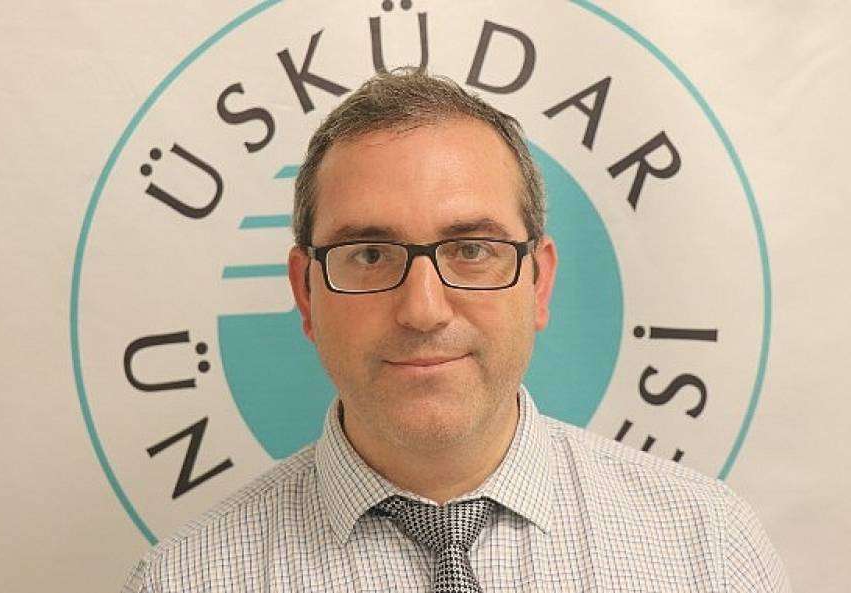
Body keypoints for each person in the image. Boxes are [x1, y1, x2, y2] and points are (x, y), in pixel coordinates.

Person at [123, 68, 791, 593]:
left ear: (539, 282)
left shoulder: (707, 550)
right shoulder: (184, 580)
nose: (423, 309)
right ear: (306, 291)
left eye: (472, 250)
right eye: (369, 254)